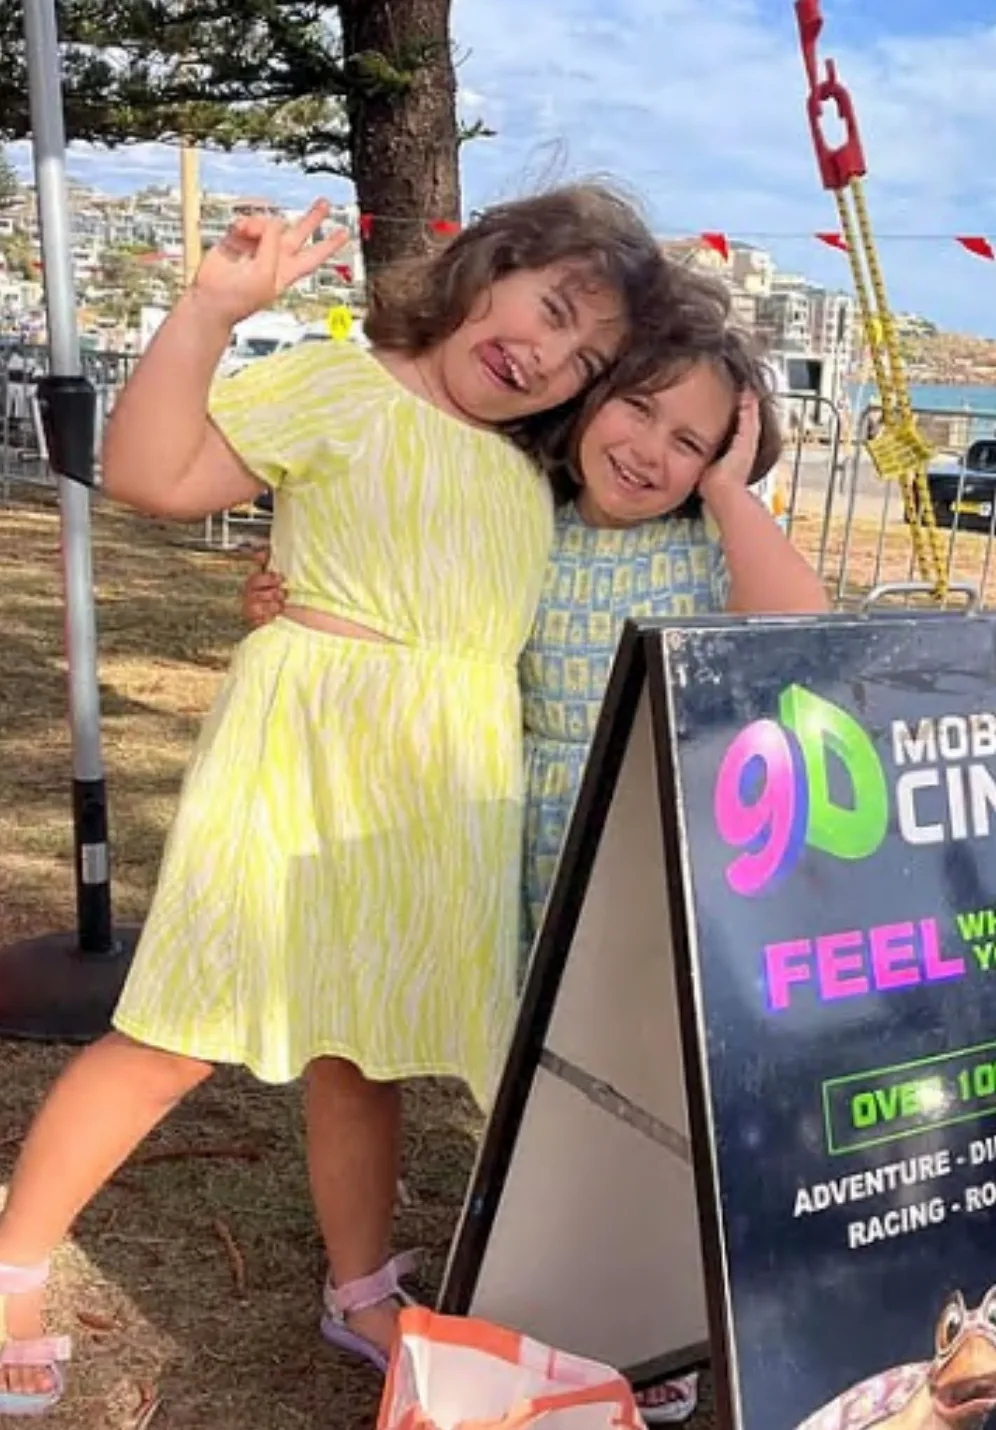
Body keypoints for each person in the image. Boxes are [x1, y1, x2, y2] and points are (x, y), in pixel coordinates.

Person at [0, 185, 667, 1415]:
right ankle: (12, 1260)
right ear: (487, 264)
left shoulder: (527, 469)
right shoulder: (338, 380)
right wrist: (209, 309)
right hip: (304, 750)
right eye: (554, 306)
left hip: (443, 783)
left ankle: (360, 1284)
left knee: (370, 1044)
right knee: (180, 1024)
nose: (549, 354)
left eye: (586, 358)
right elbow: (152, 473)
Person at [243, 269, 830, 1424]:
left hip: (646, 868)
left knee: (645, 1100)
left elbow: (797, 631)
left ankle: (637, 1319)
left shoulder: (704, 545)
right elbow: (394, 586)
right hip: (507, 840)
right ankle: (467, 1277)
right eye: (639, 407)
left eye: (693, 440)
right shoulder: (518, 513)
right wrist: (284, 595)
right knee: (513, 1081)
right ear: (591, 395)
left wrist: (728, 493)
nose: (653, 450)